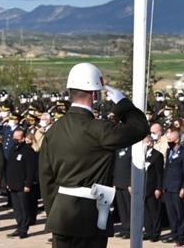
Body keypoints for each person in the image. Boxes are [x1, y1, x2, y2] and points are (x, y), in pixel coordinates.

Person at [39, 62, 148, 248]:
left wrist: (55, 211)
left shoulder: (53, 130)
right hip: (91, 215)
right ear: (95, 93)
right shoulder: (99, 129)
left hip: (62, 214)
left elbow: (46, 178)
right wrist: (124, 105)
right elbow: (139, 128)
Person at [6, 128, 36, 238]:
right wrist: (8, 182)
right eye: (14, 137)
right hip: (13, 184)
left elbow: (30, 169)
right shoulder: (13, 148)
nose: (14, 139)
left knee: (24, 208)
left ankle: (24, 229)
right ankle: (19, 226)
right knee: (17, 209)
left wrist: (28, 184)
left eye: (16, 138)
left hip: (23, 185)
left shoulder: (28, 150)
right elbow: (9, 167)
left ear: (22, 138)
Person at [162, 128, 184, 246]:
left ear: (177, 140)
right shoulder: (169, 151)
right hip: (168, 187)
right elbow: (167, 169)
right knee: (171, 214)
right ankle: (174, 234)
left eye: (171, 139)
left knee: (180, 214)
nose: (169, 141)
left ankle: (180, 237)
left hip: (178, 188)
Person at [142, 132, 164, 242]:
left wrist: (159, 188)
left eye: (145, 142)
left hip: (153, 188)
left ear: (150, 143)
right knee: (145, 212)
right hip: (143, 188)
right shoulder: (142, 154)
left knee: (154, 211)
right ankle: (148, 231)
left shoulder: (157, 155)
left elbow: (160, 174)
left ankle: (156, 232)